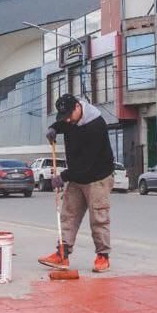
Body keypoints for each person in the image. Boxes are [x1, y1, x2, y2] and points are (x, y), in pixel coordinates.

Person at [38, 93, 115, 273]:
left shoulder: (96, 125)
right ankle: (62, 254)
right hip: (77, 176)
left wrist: (62, 177)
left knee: (98, 217)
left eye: (69, 116)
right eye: (63, 118)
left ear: (78, 108)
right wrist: (54, 129)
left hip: (98, 176)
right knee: (68, 214)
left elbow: (86, 163)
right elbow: (63, 124)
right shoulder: (70, 119)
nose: (68, 121)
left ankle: (103, 256)